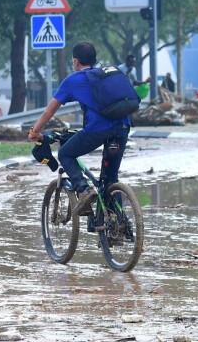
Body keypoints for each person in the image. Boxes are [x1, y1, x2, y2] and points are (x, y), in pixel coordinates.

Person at [28, 41, 131, 215]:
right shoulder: (107, 75)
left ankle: (84, 189)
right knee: (110, 178)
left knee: (65, 153)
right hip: (122, 127)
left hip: (97, 130)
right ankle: (118, 225)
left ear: (76, 61)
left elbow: (49, 112)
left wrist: (34, 132)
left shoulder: (73, 80)